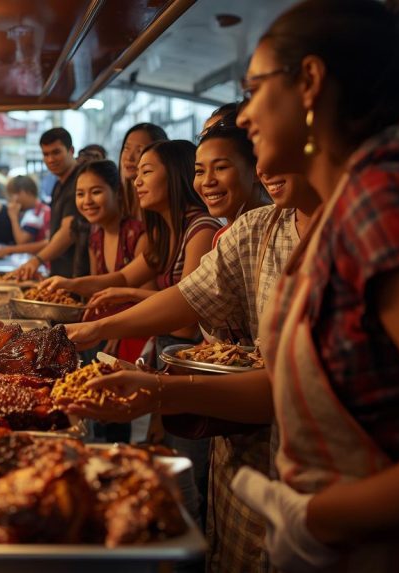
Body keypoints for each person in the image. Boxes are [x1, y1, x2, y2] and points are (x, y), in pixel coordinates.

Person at [66, 1, 399, 570]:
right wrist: (157, 390)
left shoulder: (392, 210)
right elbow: (296, 382)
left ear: (310, 82)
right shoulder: (339, 215)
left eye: (255, 90)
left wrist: (324, 518)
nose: (246, 116)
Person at [64, 171, 321, 572]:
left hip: (320, 485)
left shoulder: (359, 236)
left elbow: (293, 385)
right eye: (200, 170)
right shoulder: (257, 226)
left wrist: (159, 390)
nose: (266, 166)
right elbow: (189, 296)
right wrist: (98, 329)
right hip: (244, 453)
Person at [41, 140, 222, 343]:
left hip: (186, 349)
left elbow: (188, 312)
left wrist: (128, 296)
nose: (136, 182)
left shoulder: (201, 230)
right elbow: (124, 277)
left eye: (146, 172)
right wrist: (69, 284)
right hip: (165, 344)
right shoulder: (163, 232)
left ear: (175, 173)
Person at [73, 160, 149, 362]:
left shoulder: (138, 234)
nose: (87, 201)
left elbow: (148, 302)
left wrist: (116, 331)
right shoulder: (95, 238)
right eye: (80, 194)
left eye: (96, 192)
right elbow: (96, 291)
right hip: (102, 333)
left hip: (135, 334)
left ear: (117, 192)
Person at [10, 128, 87, 279]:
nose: (51, 159)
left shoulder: (79, 182)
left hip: (76, 275)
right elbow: (53, 236)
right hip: (59, 273)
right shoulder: (58, 185)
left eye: (56, 152)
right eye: (46, 154)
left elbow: (68, 232)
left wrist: (37, 260)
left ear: (71, 151)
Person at [194, 115, 270, 248]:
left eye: (221, 167)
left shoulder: (276, 229)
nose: (207, 181)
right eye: (199, 171)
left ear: (256, 169)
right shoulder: (222, 236)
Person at [0, 176, 50, 258]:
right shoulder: (36, 211)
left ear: (23, 192)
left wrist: (13, 217)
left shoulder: (36, 213)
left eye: (12, 195)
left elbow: (22, 242)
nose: (12, 200)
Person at [118, 124, 168, 220]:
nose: (129, 157)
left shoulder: (160, 205)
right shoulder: (116, 200)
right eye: (126, 148)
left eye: (139, 150)